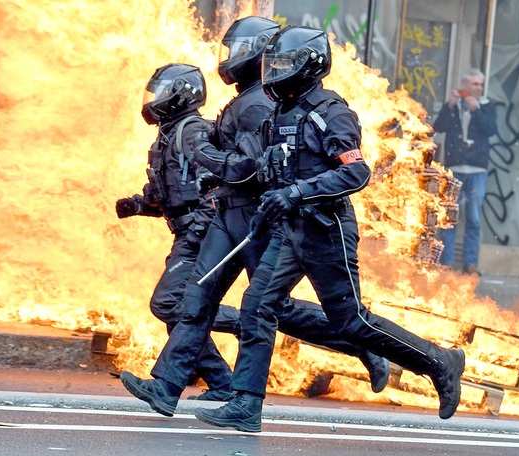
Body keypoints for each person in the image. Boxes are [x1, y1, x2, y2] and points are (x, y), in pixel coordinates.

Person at [194, 25, 465, 434]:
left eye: (284, 63)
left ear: (311, 64)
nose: (275, 71)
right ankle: (246, 405)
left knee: (350, 321)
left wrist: (299, 192)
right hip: (289, 229)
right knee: (258, 306)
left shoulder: (330, 111)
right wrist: (266, 186)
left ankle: (439, 362)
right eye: (273, 63)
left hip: (326, 229)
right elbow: (273, 165)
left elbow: (356, 172)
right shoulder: (279, 112)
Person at [118, 17, 391, 418]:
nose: (228, 59)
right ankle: (167, 386)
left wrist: (203, 153)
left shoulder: (259, 103)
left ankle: (358, 342)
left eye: (235, 50)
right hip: (228, 213)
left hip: (253, 216)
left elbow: (249, 168)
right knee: (198, 297)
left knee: (268, 308)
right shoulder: (249, 99)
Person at [115, 62, 240, 401]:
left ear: (181, 95)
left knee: (171, 304)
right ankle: (223, 386)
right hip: (188, 233)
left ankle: (250, 323)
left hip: (204, 234)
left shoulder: (194, 132)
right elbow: (174, 197)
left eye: (160, 93)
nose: (152, 100)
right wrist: (139, 205)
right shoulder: (168, 135)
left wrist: (200, 231)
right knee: (180, 313)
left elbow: (213, 189)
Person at [432, 68, 498, 275]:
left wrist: (477, 110)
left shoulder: (487, 106)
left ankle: (470, 264)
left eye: (480, 84)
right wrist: (450, 106)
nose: (478, 88)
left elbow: (491, 130)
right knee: (449, 217)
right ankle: (446, 263)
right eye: (474, 84)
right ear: (465, 86)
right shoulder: (454, 105)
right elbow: (438, 127)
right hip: (454, 169)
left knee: (474, 219)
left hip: (477, 169)